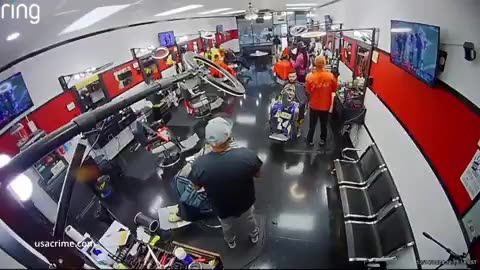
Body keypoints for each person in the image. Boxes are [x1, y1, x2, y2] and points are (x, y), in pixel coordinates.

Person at [188, 117, 263, 249]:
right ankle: (254, 233)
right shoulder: (247, 155)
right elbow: (258, 174)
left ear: (209, 140)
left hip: (222, 207)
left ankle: (230, 241)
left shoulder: (199, 164)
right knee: (249, 219)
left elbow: (195, 187)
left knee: (226, 225)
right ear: (229, 135)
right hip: (245, 202)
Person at [305, 56, 338, 146]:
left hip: (314, 105)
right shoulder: (330, 76)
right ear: (324, 64)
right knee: (324, 124)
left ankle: (309, 140)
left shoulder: (310, 77)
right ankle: (322, 140)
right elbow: (335, 89)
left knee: (312, 125)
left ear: (315, 63)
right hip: (325, 105)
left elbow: (307, 90)